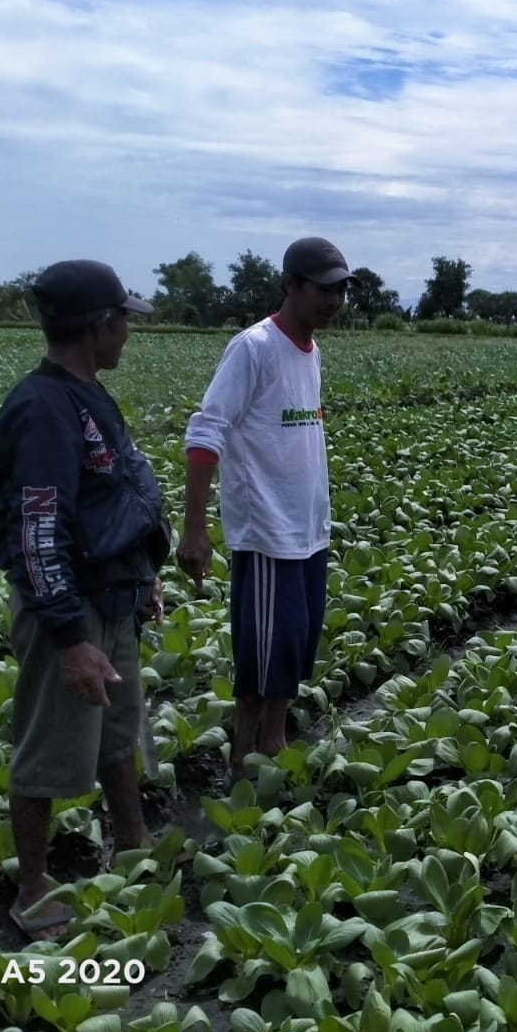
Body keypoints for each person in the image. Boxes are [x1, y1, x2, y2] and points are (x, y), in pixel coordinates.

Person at [0, 260, 171, 940]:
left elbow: (109, 498)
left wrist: (143, 572)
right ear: (99, 326)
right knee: (48, 744)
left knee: (117, 732)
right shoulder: (43, 409)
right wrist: (69, 638)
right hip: (70, 608)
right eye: (124, 321)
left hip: (111, 595)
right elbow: (38, 530)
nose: (129, 333)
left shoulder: (86, 395)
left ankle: (134, 842)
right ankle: (32, 887)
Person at [176, 237, 351, 769]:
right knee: (264, 653)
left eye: (341, 290)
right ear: (289, 285)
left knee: (293, 645)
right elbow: (206, 431)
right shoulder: (253, 348)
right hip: (269, 532)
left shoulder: (311, 351)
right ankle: (248, 757)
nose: (334, 300)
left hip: (308, 529)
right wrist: (194, 528)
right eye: (323, 289)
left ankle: (268, 744)